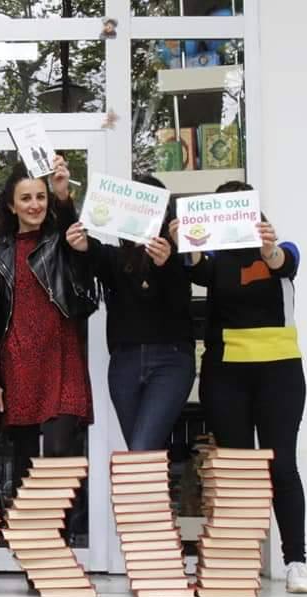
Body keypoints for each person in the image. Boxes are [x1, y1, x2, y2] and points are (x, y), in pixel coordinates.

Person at [173, 180, 307, 594]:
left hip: (279, 374)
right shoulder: (215, 258)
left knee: (281, 466)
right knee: (237, 471)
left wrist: (269, 250)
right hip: (226, 375)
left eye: (239, 208)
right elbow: (198, 267)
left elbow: (285, 262)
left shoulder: (280, 249)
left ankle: (296, 562)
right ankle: (239, 563)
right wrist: (189, 241)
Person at [0, 157, 97, 506]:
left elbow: (72, 232)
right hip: (19, 360)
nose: (34, 205)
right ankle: (30, 532)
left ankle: (59, 531)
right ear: (11, 205)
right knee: (25, 459)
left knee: (61, 449)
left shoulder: (60, 241)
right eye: (26, 198)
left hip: (62, 355)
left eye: (40, 197)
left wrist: (63, 195)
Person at [66, 176, 195, 451]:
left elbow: (181, 301)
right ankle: (155, 481)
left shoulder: (178, 252)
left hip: (171, 361)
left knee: (141, 450)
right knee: (142, 454)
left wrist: (168, 263)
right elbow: (87, 248)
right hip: (125, 364)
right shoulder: (115, 258)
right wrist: (65, 200)